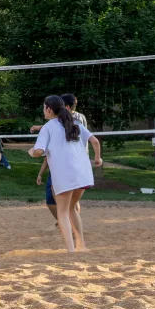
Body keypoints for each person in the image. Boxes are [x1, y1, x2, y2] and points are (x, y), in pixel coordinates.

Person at [28, 95, 102, 252]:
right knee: (72, 208)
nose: (43, 110)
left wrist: (31, 152)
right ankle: (81, 245)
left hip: (64, 174)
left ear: (48, 109)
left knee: (62, 212)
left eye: (43, 107)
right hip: (83, 173)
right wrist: (97, 158)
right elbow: (95, 141)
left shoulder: (48, 127)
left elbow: (39, 151)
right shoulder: (74, 124)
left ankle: (71, 250)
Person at [33, 94, 88, 225]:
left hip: (67, 162)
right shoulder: (75, 120)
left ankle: (69, 222)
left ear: (67, 107)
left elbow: (57, 126)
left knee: (64, 199)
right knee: (65, 199)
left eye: (62, 105)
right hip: (72, 162)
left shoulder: (72, 120)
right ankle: (67, 222)